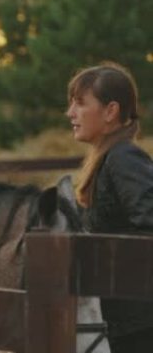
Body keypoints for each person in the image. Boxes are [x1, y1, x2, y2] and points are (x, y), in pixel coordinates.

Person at [66, 61, 153, 352]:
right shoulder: (107, 159)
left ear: (110, 111)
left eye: (80, 104)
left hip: (140, 326)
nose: (71, 113)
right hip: (121, 320)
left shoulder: (124, 158)